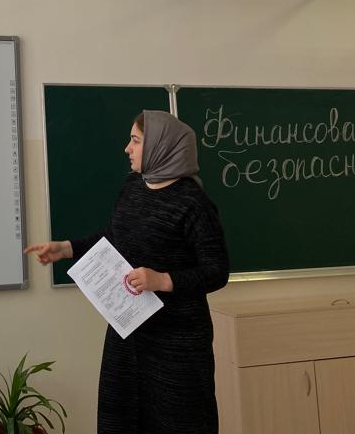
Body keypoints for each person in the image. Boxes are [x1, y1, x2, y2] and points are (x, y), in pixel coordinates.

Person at [25, 110, 229, 434]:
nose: (127, 148)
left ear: (160, 146)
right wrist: (66, 248)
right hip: (128, 332)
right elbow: (113, 238)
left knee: (179, 422)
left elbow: (217, 270)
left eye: (135, 140)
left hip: (177, 343)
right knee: (121, 418)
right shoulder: (133, 186)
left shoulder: (193, 202)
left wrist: (162, 280)